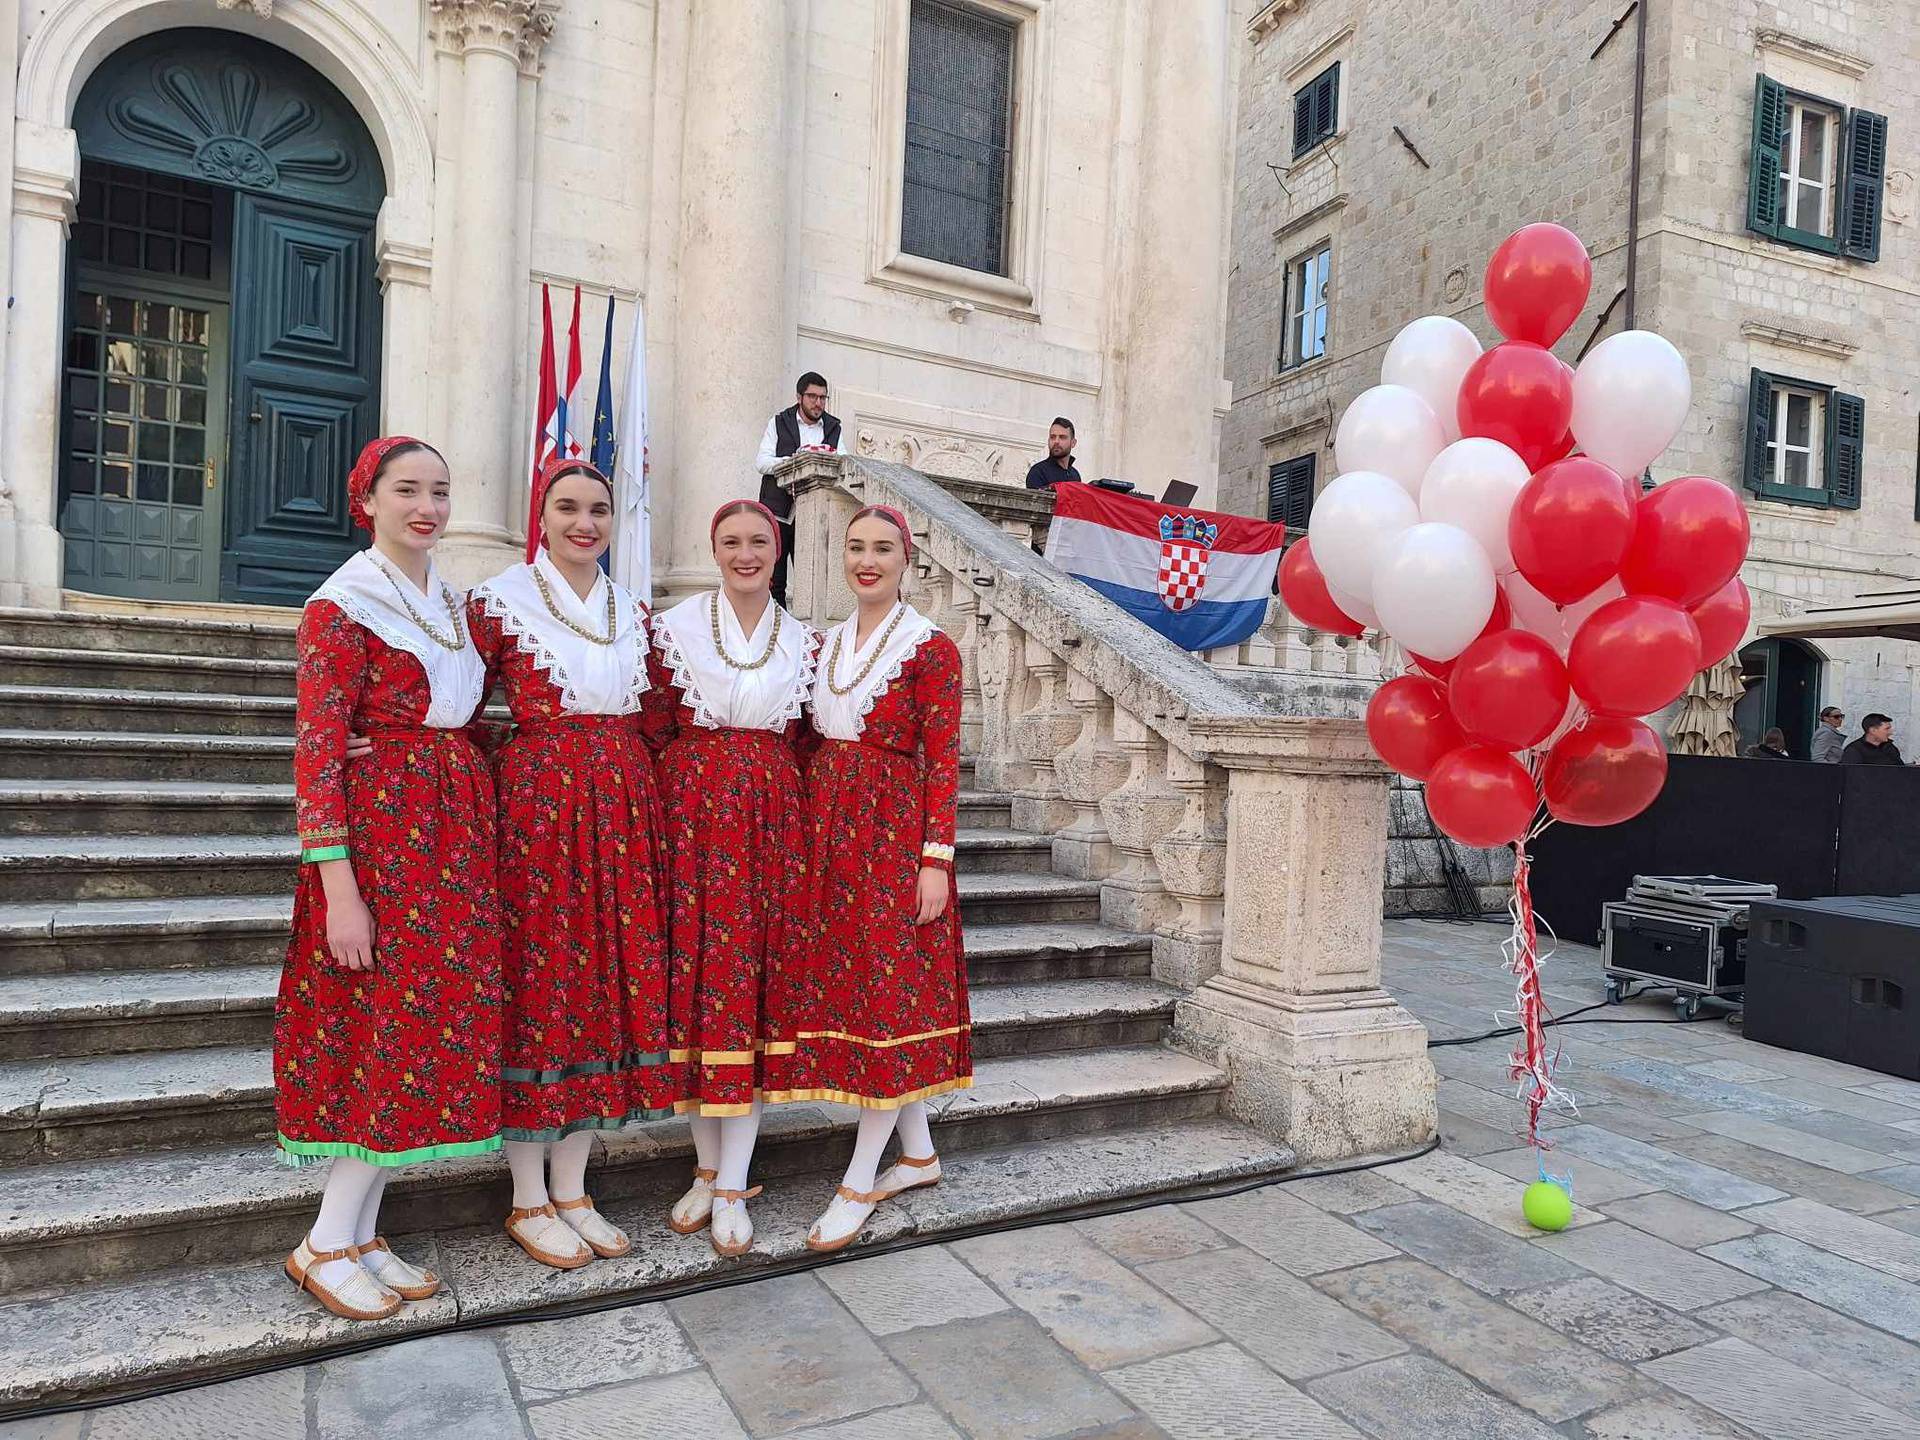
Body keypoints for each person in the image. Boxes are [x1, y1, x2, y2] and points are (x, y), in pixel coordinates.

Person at [277, 437, 500, 1322]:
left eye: (441, 491)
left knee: (412, 1033)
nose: (428, 507)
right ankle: (325, 1241)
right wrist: (338, 887)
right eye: (407, 490)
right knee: (379, 1032)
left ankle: (361, 1230)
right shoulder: (342, 606)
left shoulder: (451, 604)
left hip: (447, 838)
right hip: (380, 848)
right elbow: (318, 750)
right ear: (364, 499)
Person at [467, 456, 678, 1270]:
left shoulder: (634, 611)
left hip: (624, 811)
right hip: (540, 812)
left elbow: (659, 713)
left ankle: (575, 1185)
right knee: (543, 982)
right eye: (567, 508)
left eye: (597, 509)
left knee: (599, 986)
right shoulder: (498, 602)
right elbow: (453, 697)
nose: (584, 523)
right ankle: (527, 1196)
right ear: (540, 515)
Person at [766, 504, 971, 1254]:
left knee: (886, 996)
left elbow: (943, 760)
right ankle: (917, 1156)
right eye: (856, 547)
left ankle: (860, 1178)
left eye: (882, 548)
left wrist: (935, 859)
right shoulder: (821, 644)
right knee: (856, 991)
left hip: (889, 833)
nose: (867, 561)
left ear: (905, 559)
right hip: (826, 830)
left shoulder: (930, 649)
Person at [649, 501, 818, 1257]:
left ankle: (732, 1184)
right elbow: (648, 727)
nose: (745, 554)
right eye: (731, 543)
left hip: (770, 829)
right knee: (697, 992)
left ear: (777, 550)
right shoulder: (676, 630)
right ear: (712, 550)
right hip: (690, 825)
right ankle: (706, 1167)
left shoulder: (805, 642)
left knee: (746, 996)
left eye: (758, 542)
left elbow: (814, 741)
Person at [755, 371, 848, 608]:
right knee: (775, 579)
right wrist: (795, 461)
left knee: (812, 578)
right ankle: (775, 628)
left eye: (823, 397)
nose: (818, 403)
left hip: (814, 514)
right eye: (812, 397)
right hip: (778, 510)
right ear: (799, 397)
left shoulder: (833, 427)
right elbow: (762, 462)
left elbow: (843, 462)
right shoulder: (779, 422)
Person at [1024, 418, 1082, 489]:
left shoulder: (1075, 475)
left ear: (1073, 443)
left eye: (1062, 437)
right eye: (1052, 437)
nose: (1056, 441)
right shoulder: (1038, 472)